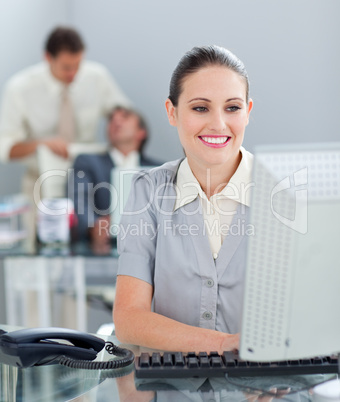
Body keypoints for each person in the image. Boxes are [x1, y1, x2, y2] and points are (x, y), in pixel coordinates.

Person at [113, 45, 253, 353]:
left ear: (248, 111)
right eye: (200, 108)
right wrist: (225, 344)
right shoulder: (147, 192)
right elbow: (128, 319)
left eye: (232, 108)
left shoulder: (282, 196)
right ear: (172, 112)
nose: (218, 124)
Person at [0, 26, 130, 196]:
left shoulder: (97, 77)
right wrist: (41, 144)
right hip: (41, 184)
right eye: (67, 67)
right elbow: (4, 147)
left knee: (93, 222)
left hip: (91, 182)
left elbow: (125, 113)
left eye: (77, 65)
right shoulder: (19, 88)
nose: (73, 74)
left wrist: (120, 123)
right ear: (47, 57)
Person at [70, 106, 161, 251]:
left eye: (125, 116)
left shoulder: (160, 169)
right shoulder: (87, 162)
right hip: (104, 249)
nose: (116, 120)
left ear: (141, 133)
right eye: (111, 119)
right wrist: (93, 226)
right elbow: (80, 201)